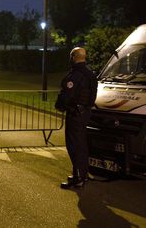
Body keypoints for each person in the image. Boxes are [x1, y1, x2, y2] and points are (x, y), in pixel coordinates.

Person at [55, 47, 97, 189]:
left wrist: (60, 105)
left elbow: (67, 96)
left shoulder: (75, 75)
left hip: (75, 114)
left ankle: (78, 177)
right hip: (85, 113)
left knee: (74, 145)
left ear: (73, 57)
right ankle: (83, 174)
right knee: (82, 144)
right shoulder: (90, 74)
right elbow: (92, 97)